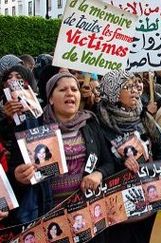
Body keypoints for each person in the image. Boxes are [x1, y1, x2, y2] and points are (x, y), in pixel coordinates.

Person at [10, 73, 116, 225]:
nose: (70, 93)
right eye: (63, 90)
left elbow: (109, 163)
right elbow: (14, 172)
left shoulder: (90, 124)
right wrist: (19, 175)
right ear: (51, 98)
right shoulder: (33, 128)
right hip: (47, 218)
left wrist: (98, 174)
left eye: (74, 89)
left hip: (87, 215)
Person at [96, 70, 161, 173]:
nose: (134, 91)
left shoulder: (142, 115)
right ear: (113, 91)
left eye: (134, 86)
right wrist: (123, 163)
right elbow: (105, 162)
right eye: (127, 87)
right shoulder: (101, 122)